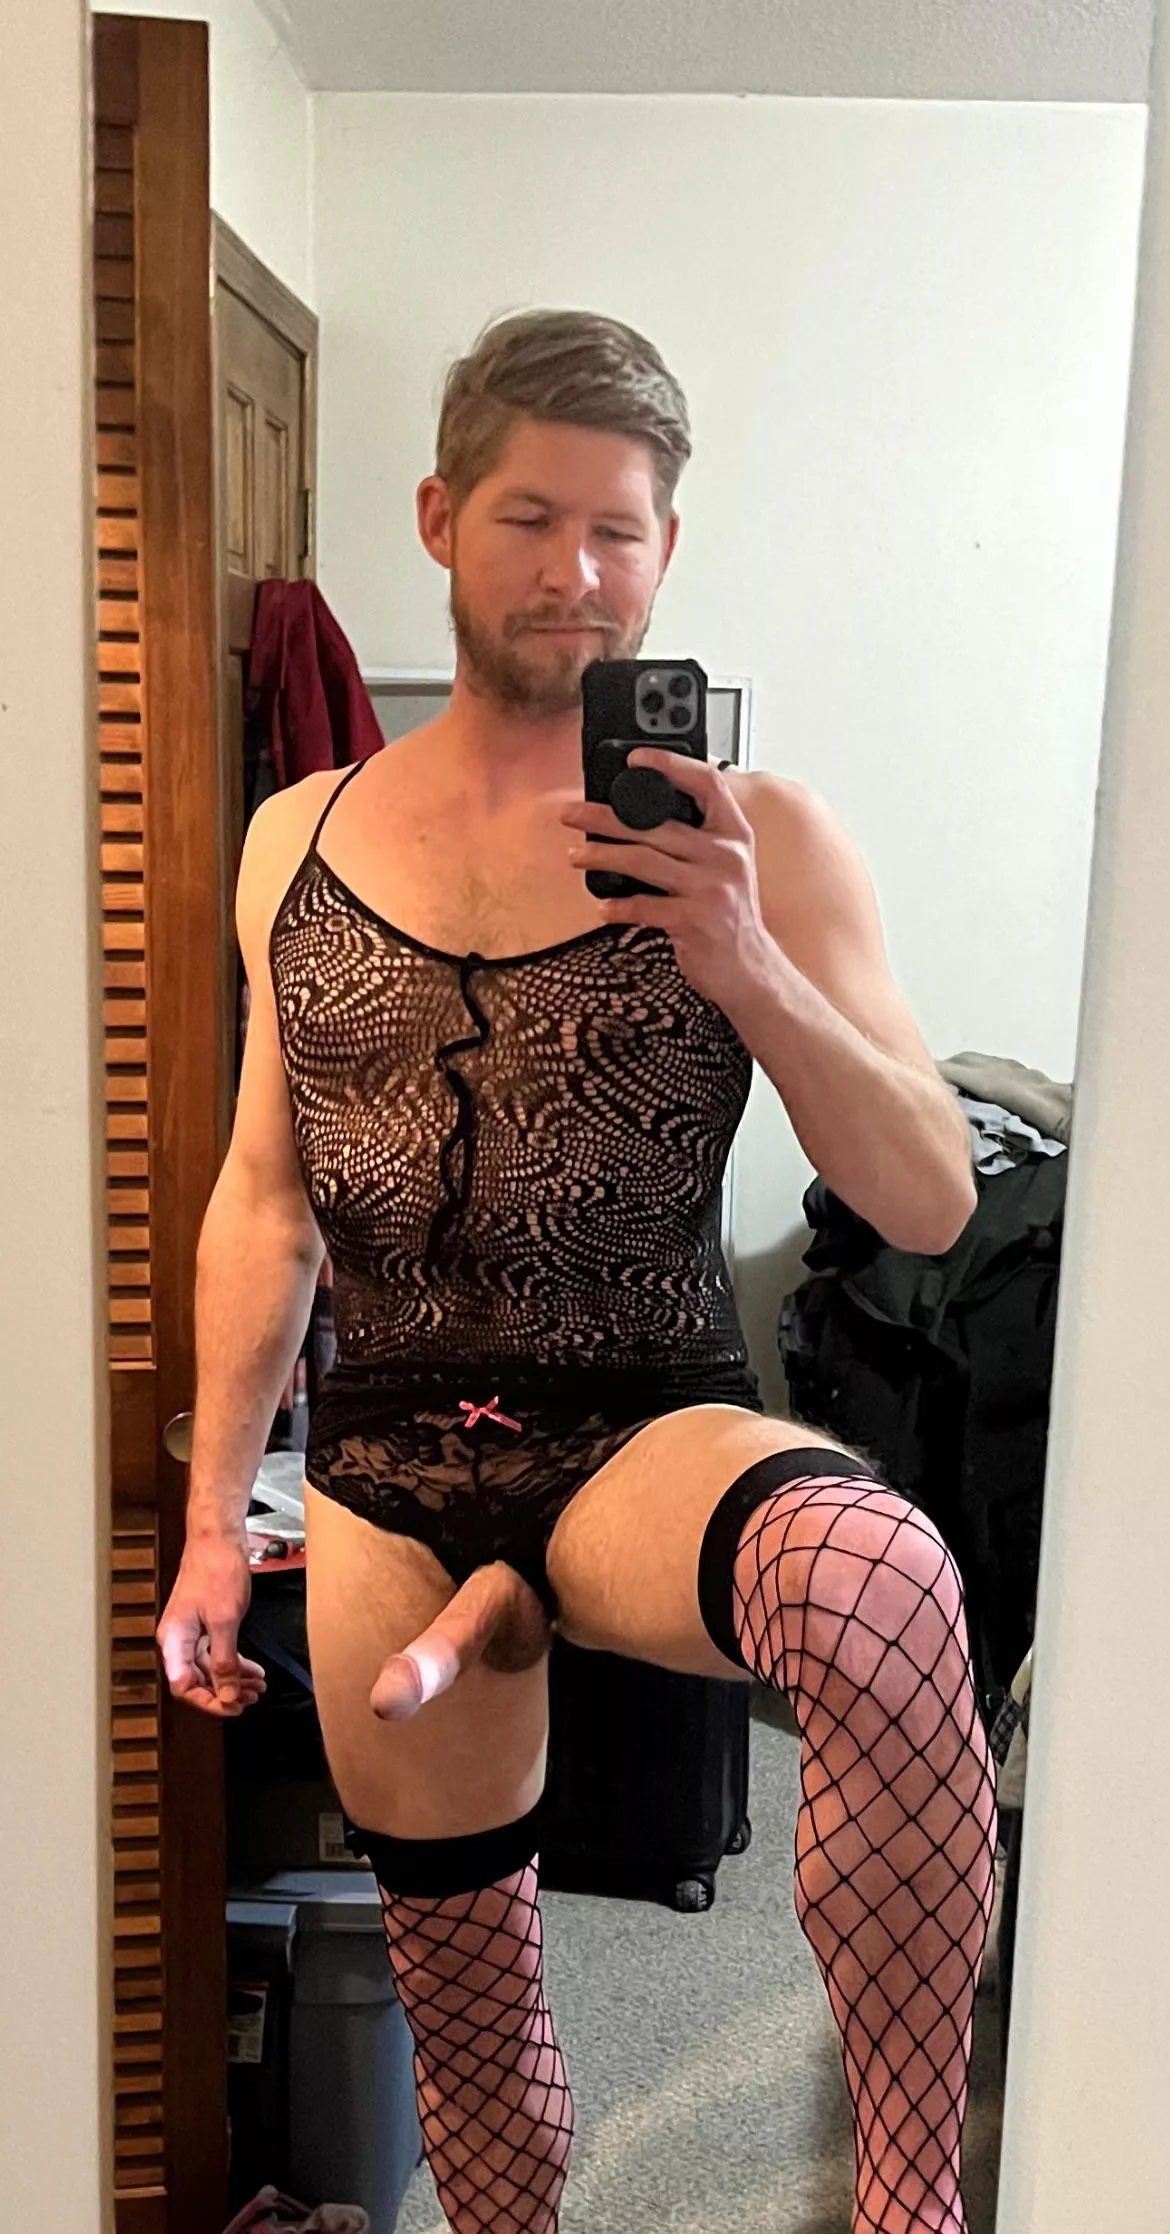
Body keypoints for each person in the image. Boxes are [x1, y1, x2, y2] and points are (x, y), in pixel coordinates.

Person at [158, 309, 996, 2234]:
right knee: (469, 2017)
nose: (575, 571)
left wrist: (745, 961)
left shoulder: (761, 839)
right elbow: (264, 1202)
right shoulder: (295, 839)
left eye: (617, 529)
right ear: (439, 518)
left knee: (882, 1590)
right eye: (530, 519)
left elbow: (932, 1201)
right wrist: (210, 1527)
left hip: (646, 1428)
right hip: (382, 1467)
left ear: (666, 549)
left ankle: (906, 2208)